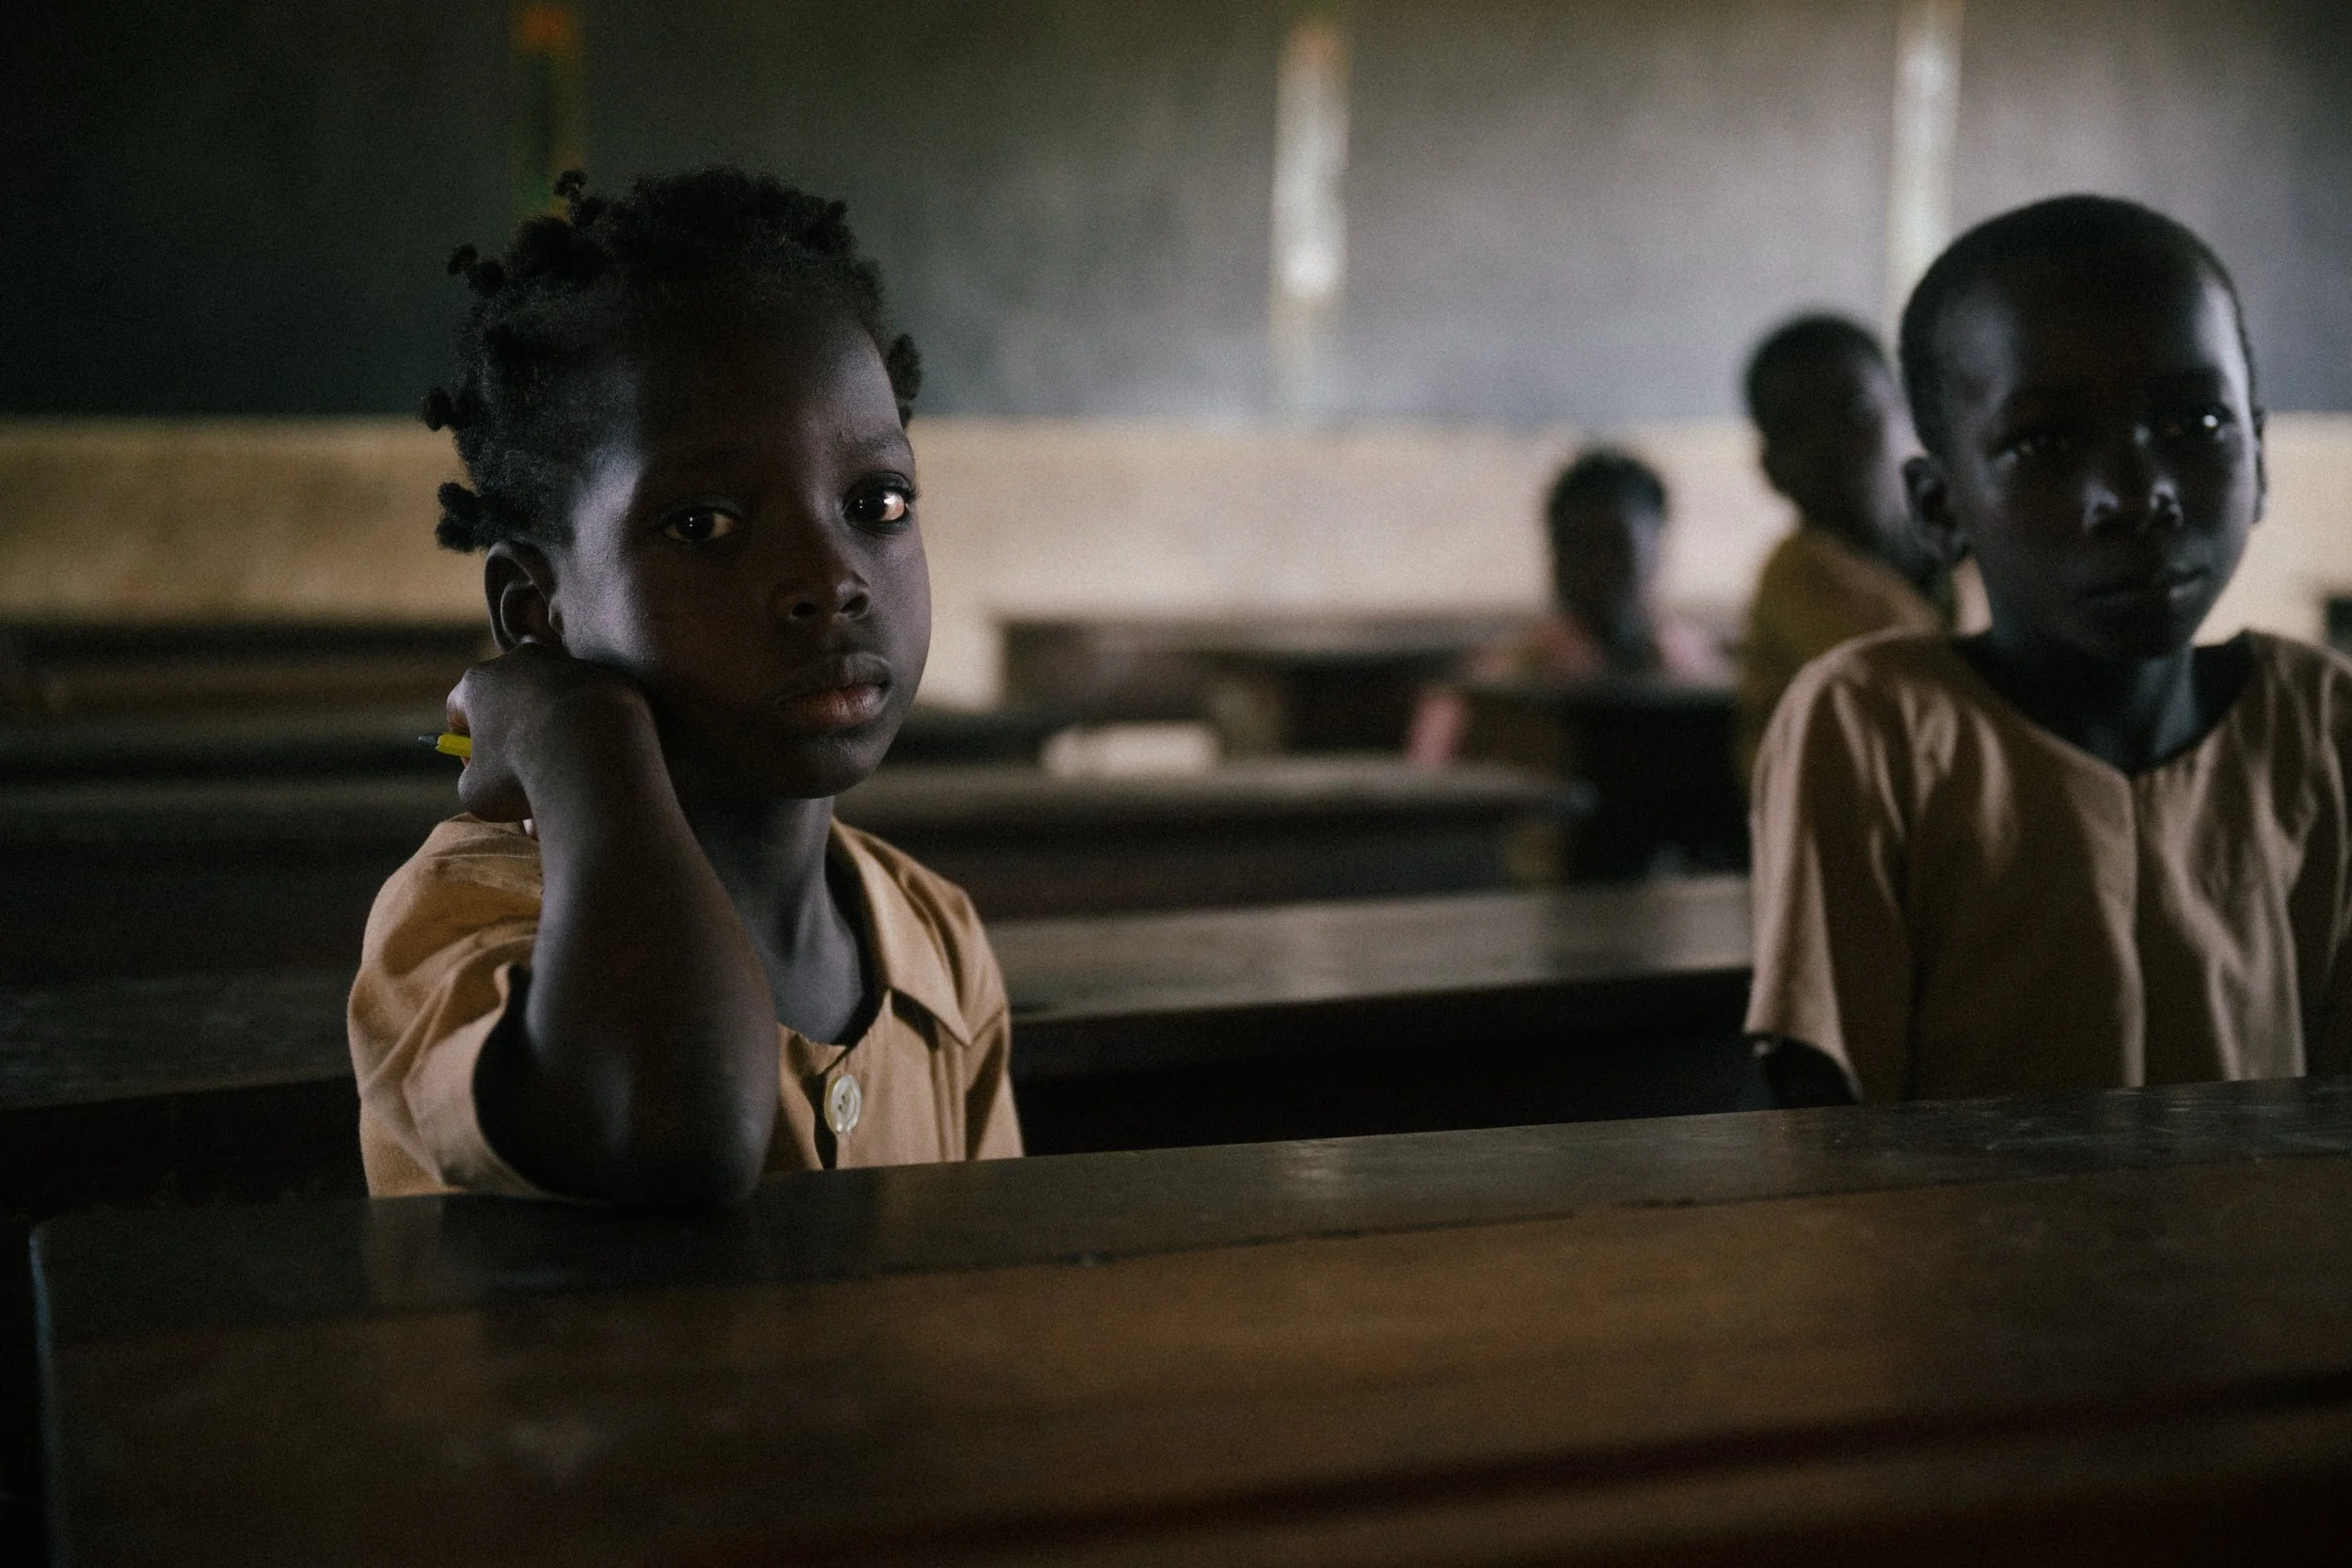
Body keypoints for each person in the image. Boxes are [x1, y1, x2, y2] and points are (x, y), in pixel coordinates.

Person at [348, 168, 1021, 1203]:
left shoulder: (934, 934)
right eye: (704, 523)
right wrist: (572, 730)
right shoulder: (458, 920)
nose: (829, 578)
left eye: (875, 500)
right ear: (536, 612)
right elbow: (665, 1124)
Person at [1746, 193, 2352, 1107]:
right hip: (1960, 1250)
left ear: (2259, 464)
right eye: (2043, 440)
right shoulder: (1876, 727)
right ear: (1940, 508)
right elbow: (1825, 1127)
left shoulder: (2317, 718)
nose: (2134, 493)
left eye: (2197, 423)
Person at [1732, 314, 1950, 786]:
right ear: (1769, 467)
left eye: (1856, 412)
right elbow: (1927, 701)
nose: (1831, 445)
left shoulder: (1968, 552)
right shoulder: (1796, 575)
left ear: (1909, 415)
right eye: (1794, 428)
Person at [1407, 448, 1725, 766]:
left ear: (1657, 551)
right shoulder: (1496, 690)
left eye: (1617, 548)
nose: (1599, 568)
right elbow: (1429, 781)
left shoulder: (1696, 671)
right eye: (1582, 549)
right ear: (1555, 557)